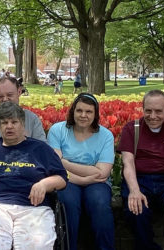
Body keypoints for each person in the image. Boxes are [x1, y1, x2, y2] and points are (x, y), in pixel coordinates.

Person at [0, 101, 67, 249]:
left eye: (14, 122)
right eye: (4, 122)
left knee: (34, 245)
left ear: (22, 124)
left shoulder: (41, 149)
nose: (9, 126)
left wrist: (44, 184)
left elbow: (61, 179)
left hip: (33, 207)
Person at [117, 90, 164, 250]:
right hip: (139, 179)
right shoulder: (131, 129)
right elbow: (128, 163)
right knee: (136, 210)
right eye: (148, 110)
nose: (152, 116)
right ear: (142, 109)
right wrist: (134, 191)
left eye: (158, 111)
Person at [47, 93, 115, 250]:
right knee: (68, 202)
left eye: (89, 111)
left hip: (97, 183)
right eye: (79, 111)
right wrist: (85, 177)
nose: (83, 115)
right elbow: (55, 167)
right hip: (67, 180)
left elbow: (103, 173)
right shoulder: (57, 130)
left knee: (99, 203)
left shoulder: (105, 136)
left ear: (95, 114)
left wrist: (65, 162)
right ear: (73, 111)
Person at [0, 76, 46, 144]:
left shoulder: (32, 119)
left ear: (19, 92)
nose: (5, 99)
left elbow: (42, 148)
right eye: (1, 96)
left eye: (9, 95)